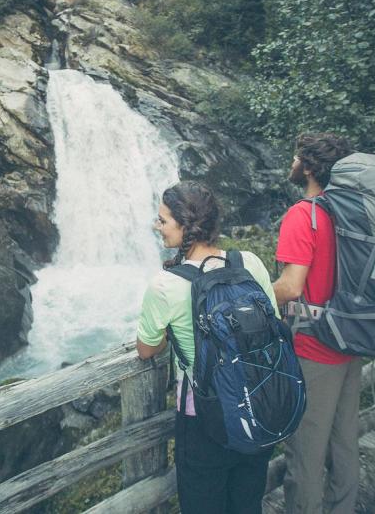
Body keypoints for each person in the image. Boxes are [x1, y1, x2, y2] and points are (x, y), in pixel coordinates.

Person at [136, 180, 279, 514]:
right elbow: (274, 325)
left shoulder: (165, 285)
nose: (157, 226)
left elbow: (146, 349)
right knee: (246, 503)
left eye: (163, 220)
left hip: (203, 415)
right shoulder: (248, 262)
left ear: (185, 226)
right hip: (256, 404)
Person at [273, 132, 360, 514]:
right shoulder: (348, 210)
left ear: (308, 167)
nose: (291, 164)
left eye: (295, 158)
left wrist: (251, 296)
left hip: (315, 348)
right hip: (350, 339)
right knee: (343, 441)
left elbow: (291, 288)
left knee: (305, 454)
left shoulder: (302, 214)